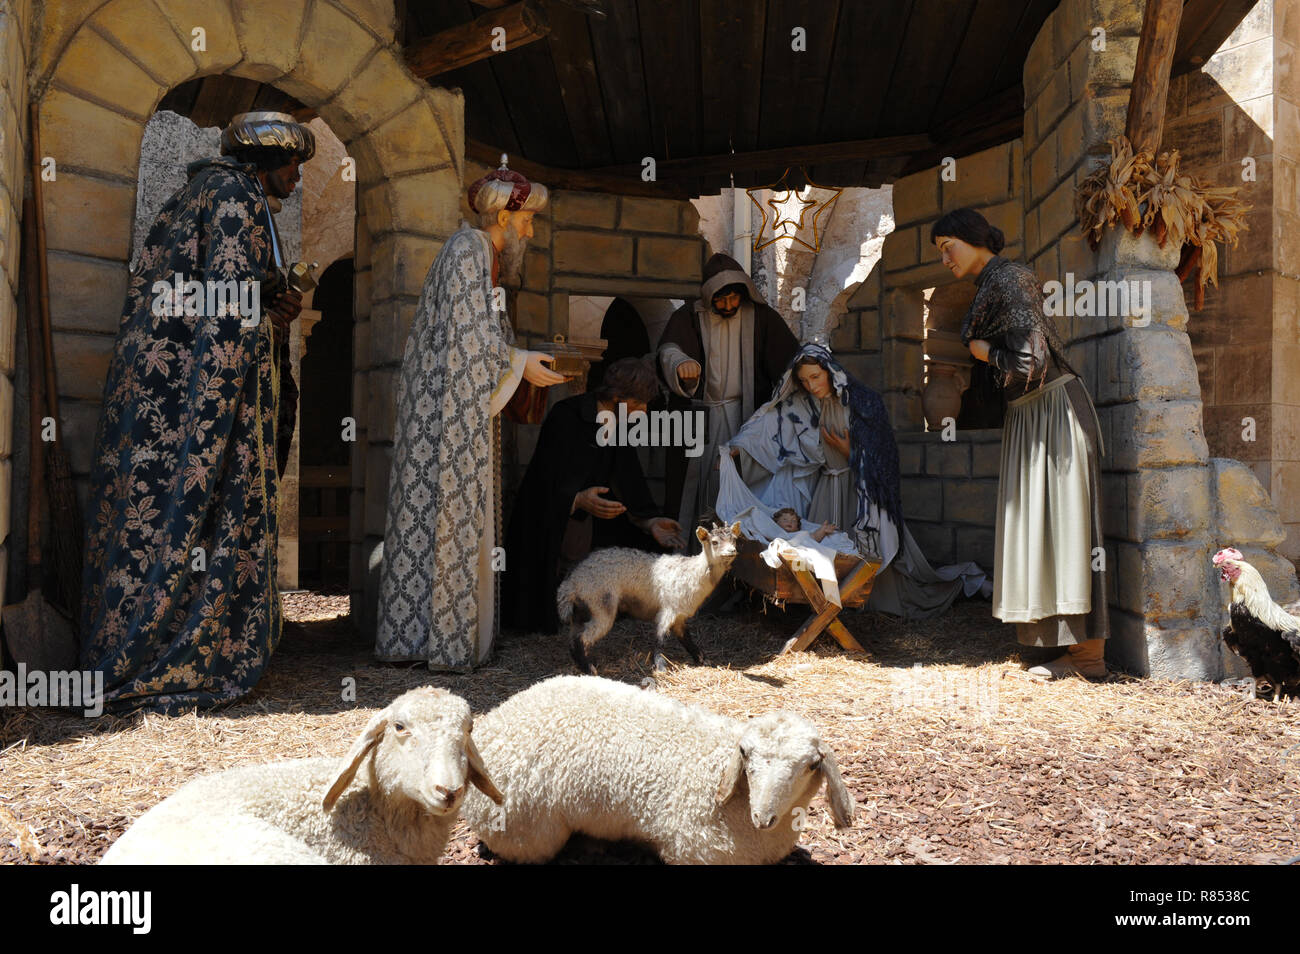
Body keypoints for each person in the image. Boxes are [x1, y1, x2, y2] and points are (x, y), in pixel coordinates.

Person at [80, 111, 314, 713]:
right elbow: (230, 317)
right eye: (291, 165)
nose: (296, 177)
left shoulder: (197, 193)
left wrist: (271, 302)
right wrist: (269, 317)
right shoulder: (235, 198)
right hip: (204, 400)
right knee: (198, 508)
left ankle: (141, 643)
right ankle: (191, 653)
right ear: (266, 162)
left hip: (164, 395)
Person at [376, 158, 566, 670]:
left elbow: (482, 335)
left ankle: (436, 638)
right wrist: (519, 363)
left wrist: (523, 359)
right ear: (503, 217)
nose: (531, 228)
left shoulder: (482, 256)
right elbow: (467, 337)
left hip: (453, 409)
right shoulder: (470, 248)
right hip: (447, 415)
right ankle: (444, 641)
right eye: (526, 219)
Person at [932, 207, 1109, 678]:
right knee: (1046, 531)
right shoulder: (994, 283)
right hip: (1034, 413)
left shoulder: (1009, 280)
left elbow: (1031, 359)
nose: (945, 259)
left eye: (948, 246)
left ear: (974, 240)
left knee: (1068, 532)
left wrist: (982, 351)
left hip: (1053, 409)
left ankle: (1088, 658)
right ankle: (1067, 651)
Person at [722, 342, 988, 618]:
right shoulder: (804, 406)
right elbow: (769, 426)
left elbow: (883, 459)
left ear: (829, 371)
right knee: (823, 547)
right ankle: (824, 605)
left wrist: (848, 451)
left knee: (859, 555)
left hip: (858, 491)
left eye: (816, 377)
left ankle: (859, 599)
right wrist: (737, 450)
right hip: (826, 487)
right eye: (804, 380)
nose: (811, 385)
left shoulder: (862, 403)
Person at [501, 358, 685, 635]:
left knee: (643, 549)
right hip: (553, 518)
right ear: (615, 397)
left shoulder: (620, 425)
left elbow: (629, 481)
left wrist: (649, 522)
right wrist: (577, 499)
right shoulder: (566, 416)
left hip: (597, 526)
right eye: (637, 404)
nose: (643, 411)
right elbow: (544, 481)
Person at [657, 253, 798, 538]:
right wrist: (680, 363)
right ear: (709, 297)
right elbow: (668, 350)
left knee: (740, 481)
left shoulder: (762, 317)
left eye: (734, 298)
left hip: (746, 416)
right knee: (695, 486)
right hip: (700, 418)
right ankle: (691, 548)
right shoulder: (688, 316)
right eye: (720, 300)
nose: (728, 305)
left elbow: (790, 361)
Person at [772, 508, 837, 543]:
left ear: (797, 527)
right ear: (776, 522)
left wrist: (823, 530)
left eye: (793, 521)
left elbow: (814, 537)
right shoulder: (773, 533)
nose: (790, 522)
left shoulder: (799, 534)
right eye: (785, 519)